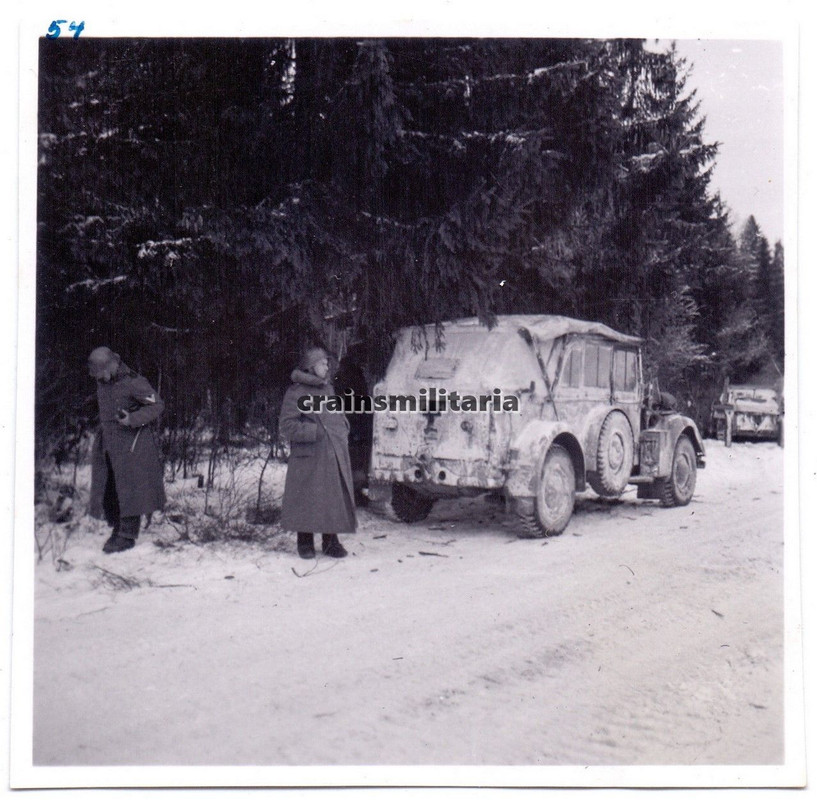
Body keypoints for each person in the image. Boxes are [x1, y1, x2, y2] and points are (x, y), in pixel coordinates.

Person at [278, 347, 356, 559]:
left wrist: (342, 427)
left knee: (331, 498)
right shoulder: (296, 392)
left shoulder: (327, 389)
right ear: (311, 367)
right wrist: (314, 432)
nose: (327, 367)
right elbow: (286, 425)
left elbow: (334, 416)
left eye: (327, 363)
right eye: (323, 364)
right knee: (307, 498)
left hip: (331, 454)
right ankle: (305, 542)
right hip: (309, 455)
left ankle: (331, 542)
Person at [87, 347, 166, 553]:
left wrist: (132, 419)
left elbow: (156, 405)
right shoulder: (103, 382)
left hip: (132, 445)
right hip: (109, 445)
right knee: (111, 488)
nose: (100, 378)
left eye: (101, 373)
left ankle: (128, 535)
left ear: (111, 365)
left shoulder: (134, 382)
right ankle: (117, 528)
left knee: (130, 488)